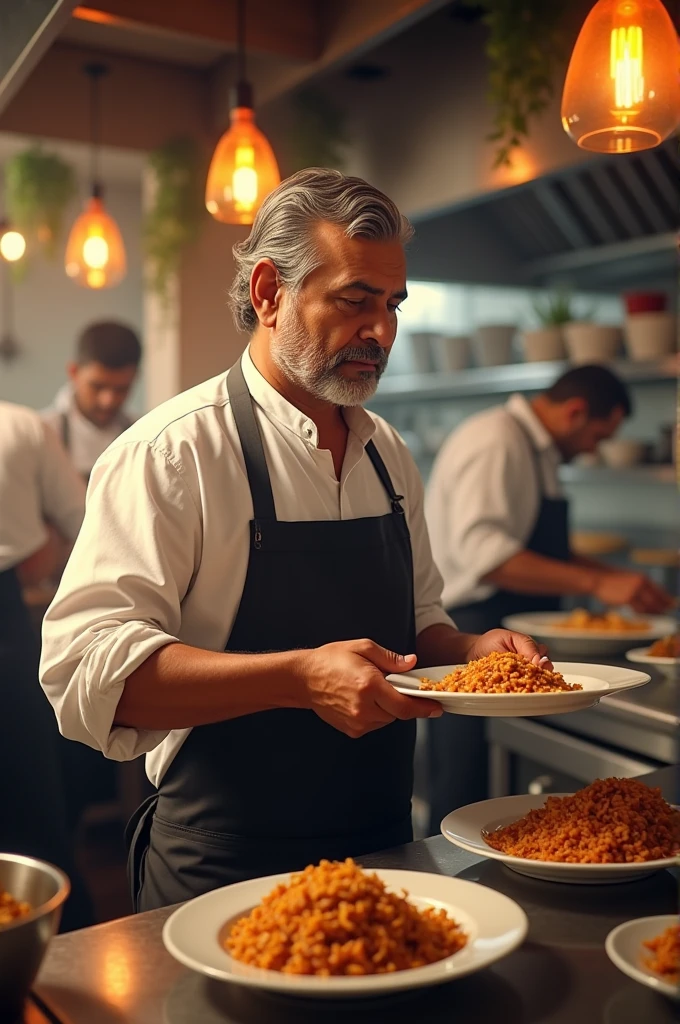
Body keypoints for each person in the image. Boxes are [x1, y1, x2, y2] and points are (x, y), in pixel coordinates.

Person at [40, 168, 548, 914]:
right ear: (269, 292)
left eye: (392, 305)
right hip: (224, 869)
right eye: (354, 301)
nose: (381, 331)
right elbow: (86, 671)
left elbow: (419, 625)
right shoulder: (173, 452)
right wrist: (297, 678)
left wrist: (472, 653)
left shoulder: (388, 454)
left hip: (382, 854)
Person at [424, 364, 674, 831]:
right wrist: (599, 586)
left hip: (515, 643)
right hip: (474, 635)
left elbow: (541, 549)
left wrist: (613, 575)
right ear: (575, 412)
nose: (593, 450)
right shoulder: (497, 440)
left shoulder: (536, 450)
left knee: (503, 803)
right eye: (597, 436)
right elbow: (487, 555)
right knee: (464, 788)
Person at [0, 402, 93, 930]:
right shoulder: (20, 424)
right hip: (9, 613)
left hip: (10, 612)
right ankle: (55, 939)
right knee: (27, 799)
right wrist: (45, 550)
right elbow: (84, 522)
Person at [42, 320, 142, 481]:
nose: (107, 401)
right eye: (97, 386)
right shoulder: (44, 433)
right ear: (73, 372)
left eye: (121, 389)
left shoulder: (142, 434)